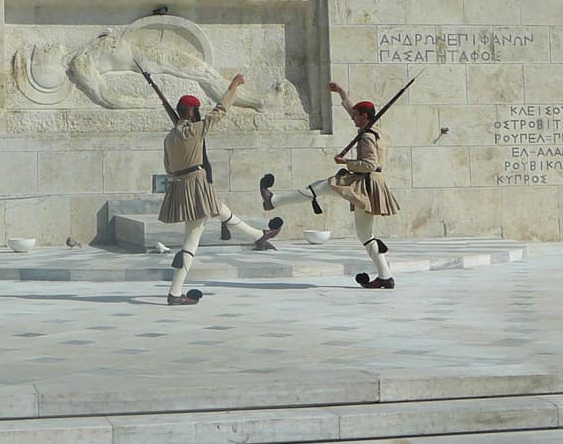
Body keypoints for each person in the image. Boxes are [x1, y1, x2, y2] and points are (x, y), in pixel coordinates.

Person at [259, 81, 400, 289]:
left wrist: (347, 162)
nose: (353, 118)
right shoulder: (378, 131)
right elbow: (354, 111)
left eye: (356, 116)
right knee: (364, 234)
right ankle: (385, 276)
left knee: (323, 187)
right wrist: (342, 93)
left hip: (365, 183)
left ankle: (274, 200)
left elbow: (370, 164)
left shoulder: (368, 137)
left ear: (365, 117)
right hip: (373, 184)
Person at [160, 74, 282, 306]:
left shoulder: (168, 138)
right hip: (196, 184)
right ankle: (175, 293)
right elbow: (221, 110)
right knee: (191, 240)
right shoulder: (196, 130)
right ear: (192, 113)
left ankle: (258, 235)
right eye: (194, 111)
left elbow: (168, 167)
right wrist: (233, 86)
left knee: (218, 209)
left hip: (180, 184)